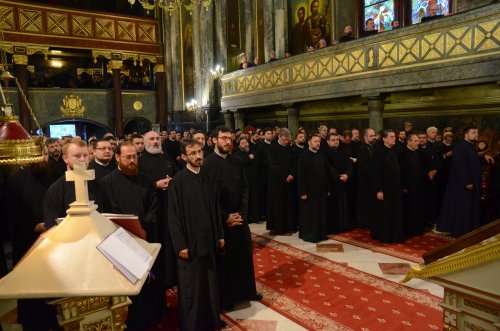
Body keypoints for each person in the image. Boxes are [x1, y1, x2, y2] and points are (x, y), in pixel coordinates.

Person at [99, 142, 163, 329]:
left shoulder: (145, 179)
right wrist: (129, 231)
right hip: (122, 242)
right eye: (128, 157)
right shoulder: (106, 183)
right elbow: (110, 212)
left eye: (135, 156)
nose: (132, 160)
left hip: (145, 237)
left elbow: (153, 207)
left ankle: (152, 317)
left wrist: (143, 229)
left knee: (149, 282)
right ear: (117, 157)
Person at [168, 139, 225, 331]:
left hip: (208, 242)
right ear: (184, 157)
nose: (198, 156)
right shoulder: (178, 181)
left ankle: (211, 322)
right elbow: (173, 217)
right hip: (189, 245)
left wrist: (219, 234)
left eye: (200, 152)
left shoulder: (207, 177)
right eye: (193, 153)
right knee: (191, 287)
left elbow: (215, 209)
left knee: (209, 285)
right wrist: (180, 245)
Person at [203, 126, 262, 311]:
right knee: (225, 262)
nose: (228, 141)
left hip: (239, 217)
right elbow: (208, 198)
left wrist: (242, 215)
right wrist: (225, 218)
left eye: (230, 138)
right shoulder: (207, 164)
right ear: (214, 140)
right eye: (223, 138)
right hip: (221, 221)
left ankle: (246, 292)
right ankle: (227, 298)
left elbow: (245, 188)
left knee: (243, 257)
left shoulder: (237, 160)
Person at [6, 148, 58, 331]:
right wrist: (32, 226)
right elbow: (12, 210)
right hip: (25, 240)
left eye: (45, 154)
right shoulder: (15, 180)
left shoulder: (52, 176)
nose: (43, 158)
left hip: (50, 238)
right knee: (29, 283)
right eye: (40, 154)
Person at [139, 131, 177, 291]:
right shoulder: (140, 162)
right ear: (145, 142)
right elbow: (138, 187)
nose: (155, 141)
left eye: (157, 139)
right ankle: (159, 278)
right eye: (151, 139)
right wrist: (156, 185)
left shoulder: (166, 159)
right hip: (153, 211)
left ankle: (171, 277)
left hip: (170, 207)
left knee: (171, 242)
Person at [43, 139, 103, 229]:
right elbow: (52, 225)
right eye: (77, 156)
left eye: (85, 155)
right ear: (65, 159)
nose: (82, 159)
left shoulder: (98, 185)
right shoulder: (55, 190)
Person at [437, 127, 482, 237]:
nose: (477, 134)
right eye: (474, 132)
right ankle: (460, 231)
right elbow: (459, 165)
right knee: (462, 208)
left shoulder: (470, 146)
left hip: (470, 183)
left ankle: (467, 230)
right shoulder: (460, 146)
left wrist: (484, 158)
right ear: (466, 134)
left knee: (468, 208)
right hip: (462, 185)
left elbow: (472, 161)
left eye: (477, 132)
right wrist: (466, 182)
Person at [371, 129, 404, 243]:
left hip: (395, 188)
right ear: (384, 139)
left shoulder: (393, 150)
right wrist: (379, 190)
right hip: (384, 188)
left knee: (394, 211)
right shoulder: (378, 152)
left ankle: (394, 235)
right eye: (391, 137)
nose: (394, 138)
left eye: (394, 136)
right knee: (385, 213)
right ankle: (385, 235)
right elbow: (376, 173)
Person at [297, 133, 330, 243]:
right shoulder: (304, 156)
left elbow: (325, 174)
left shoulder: (321, 154)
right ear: (309, 142)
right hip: (309, 192)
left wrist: (327, 189)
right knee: (310, 215)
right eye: (316, 141)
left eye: (319, 141)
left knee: (320, 213)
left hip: (320, 191)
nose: (318, 143)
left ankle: (320, 234)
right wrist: (302, 192)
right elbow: (301, 175)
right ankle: (309, 236)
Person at [267, 128, 295, 235]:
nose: (286, 142)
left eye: (287, 140)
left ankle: (288, 227)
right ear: (279, 137)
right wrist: (284, 176)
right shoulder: (272, 148)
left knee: (288, 205)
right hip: (276, 181)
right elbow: (273, 165)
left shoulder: (290, 149)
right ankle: (278, 228)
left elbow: (294, 163)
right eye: (284, 139)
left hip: (289, 181)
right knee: (277, 205)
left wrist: (291, 174)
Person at [324, 133, 352, 234]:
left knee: (344, 204)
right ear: (328, 141)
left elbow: (350, 165)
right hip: (332, 183)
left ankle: (344, 225)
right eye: (333, 140)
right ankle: (334, 227)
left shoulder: (344, 150)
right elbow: (328, 167)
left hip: (344, 181)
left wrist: (347, 175)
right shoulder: (325, 152)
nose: (336, 141)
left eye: (337, 139)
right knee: (334, 206)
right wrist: (338, 176)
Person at [399, 134, 426, 236]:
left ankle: (417, 229)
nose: (417, 143)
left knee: (418, 207)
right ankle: (409, 230)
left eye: (417, 141)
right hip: (408, 187)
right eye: (415, 141)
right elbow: (402, 171)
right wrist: (404, 186)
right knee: (409, 208)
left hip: (418, 186)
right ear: (408, 142)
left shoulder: (418, 153)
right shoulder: (402, 154)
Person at [234, 137, 260, 224]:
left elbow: (256, 159)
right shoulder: (237, 154)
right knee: (247, 199)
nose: (245, 144)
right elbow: (241, 162)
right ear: (240, 145)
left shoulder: (252, 151)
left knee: (255, 198)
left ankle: (255, 217)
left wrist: (251, 157)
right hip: (245, 180)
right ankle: (247, 217)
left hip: (254, 179)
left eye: (246, 142)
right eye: (243, 143)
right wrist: (249, 158)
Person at [356, 128, 377, 229]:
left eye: (374, 135)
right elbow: (364, 165)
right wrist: (374, 173)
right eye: (371, 136)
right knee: (366, 203)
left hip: (373, 180)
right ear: (365, 137)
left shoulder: (374, 147)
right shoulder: (362, 149)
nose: (373, 138)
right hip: (366, 181)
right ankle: (365, 223)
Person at [256, 128, 274, 221]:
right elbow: (258, 163)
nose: (270, 135)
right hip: (265, 175)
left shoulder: (275, 145)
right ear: (264, 135)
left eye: (271, 133)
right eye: (268, 133)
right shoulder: (261, 147)